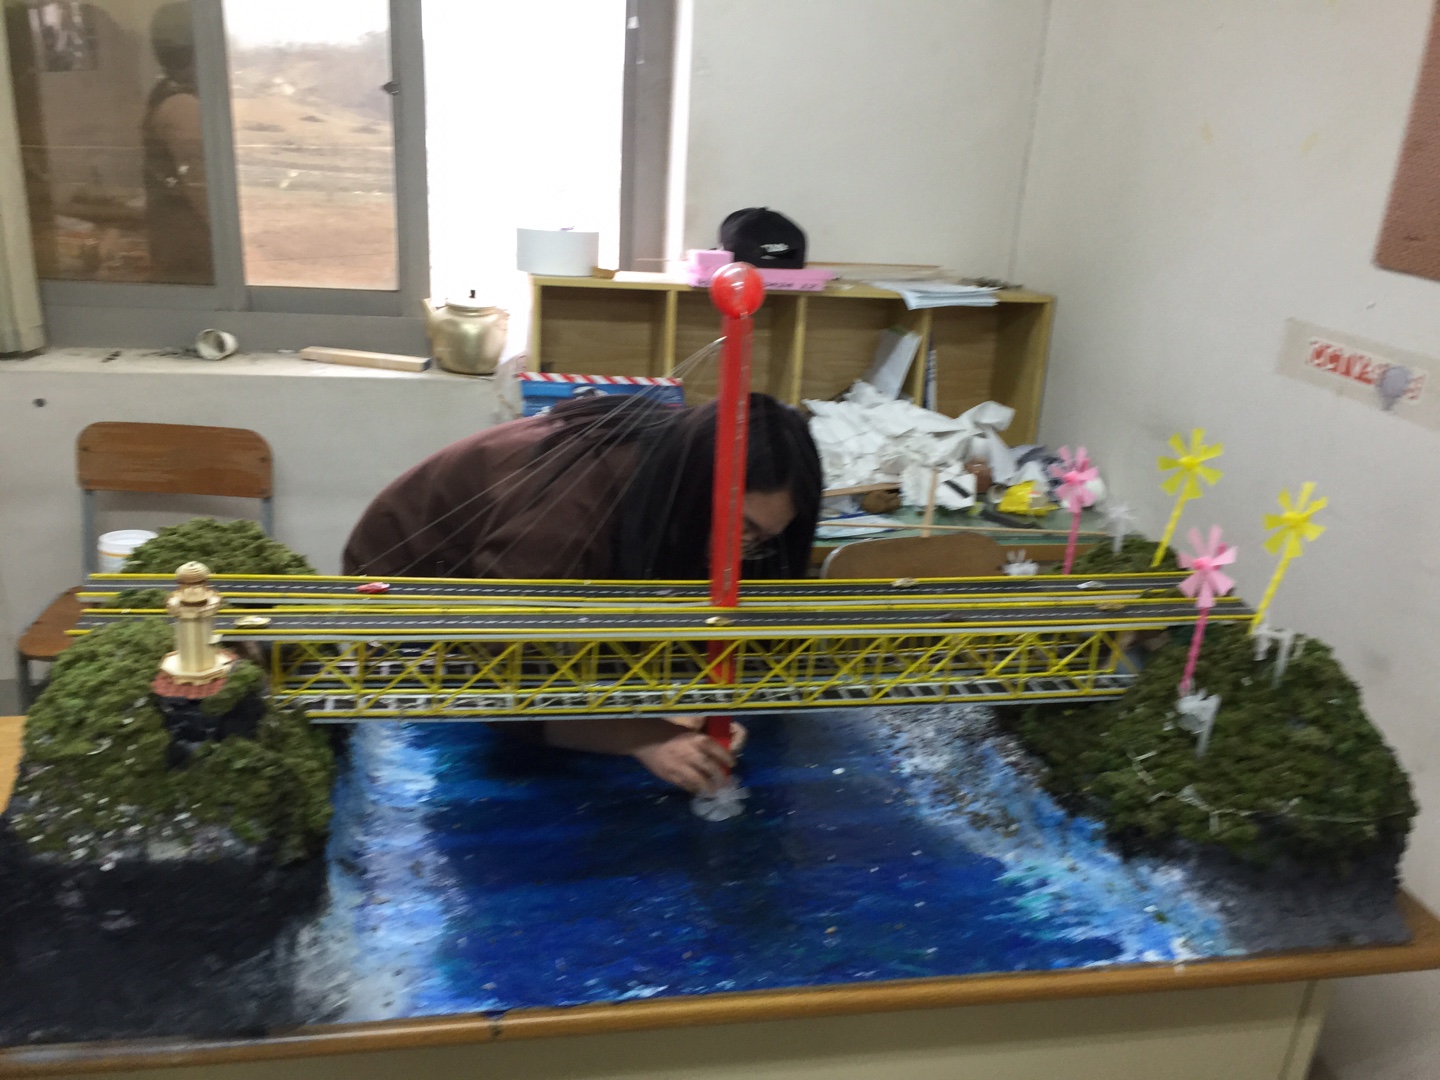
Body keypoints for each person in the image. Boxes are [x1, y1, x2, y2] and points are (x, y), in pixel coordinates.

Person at [343, 392, 823, 795]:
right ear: (700, 491)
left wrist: (683, 706)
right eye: (741, 528)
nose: (743, 551)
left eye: (761, 539)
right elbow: (501, 679)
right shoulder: (564, 518)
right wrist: (643, 736)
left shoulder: (675, 474)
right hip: (402, 591)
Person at [141, 3, 213, 284]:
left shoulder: (169, 93)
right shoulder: (182, 107)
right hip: (194, 265)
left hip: (184, 256)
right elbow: (208, 197)